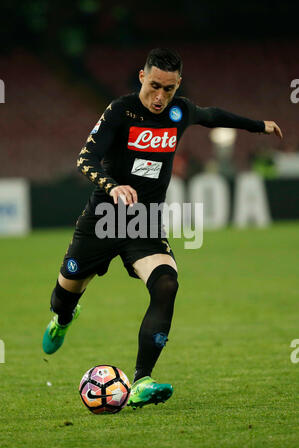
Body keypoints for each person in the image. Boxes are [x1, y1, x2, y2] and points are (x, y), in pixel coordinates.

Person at [42, 48, 283, 409]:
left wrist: (258, 125)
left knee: (167, 282)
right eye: (154, 86)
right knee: (63, 296)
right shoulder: (120, 111)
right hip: (102, 219)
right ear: (142, 77)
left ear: (177, 85)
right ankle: (63, 318)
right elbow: (85, 158)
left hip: (144, 223)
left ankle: (141, 380)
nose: (160, 97)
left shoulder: (178, 111)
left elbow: (212, 115)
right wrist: (113, 186)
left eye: (168, 89)